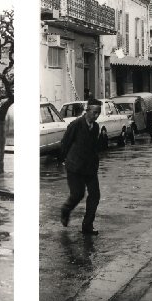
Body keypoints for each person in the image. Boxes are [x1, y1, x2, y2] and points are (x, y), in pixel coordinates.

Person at [59, 98, 102, 236]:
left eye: (98, 113)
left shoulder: (95, 127)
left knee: (95, 195)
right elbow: (65, 143)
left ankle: (87, 226)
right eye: (94, 112)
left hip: (90, 168)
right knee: (77, 194)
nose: (96, 116)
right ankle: (66, 210)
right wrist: (63, 161)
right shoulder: (76, 125)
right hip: (75, 167)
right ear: (87, 111)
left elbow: (94, 147)